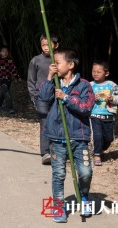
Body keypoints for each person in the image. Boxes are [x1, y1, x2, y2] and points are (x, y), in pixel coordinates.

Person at [38, 48, 95, 223]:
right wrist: (49, 77)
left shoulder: (84, 85)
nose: (54, 65)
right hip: (57, 138)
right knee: (59, 174)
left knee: (85, 172)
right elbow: (44, 98)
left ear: (70, 65)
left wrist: (66, 98)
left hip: (79, 138)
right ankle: (58, 205)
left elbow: (86, 107)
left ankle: (83, 197)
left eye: (57, 62)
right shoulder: (54, 82)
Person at [27, 32, 60, 165]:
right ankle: (45, 152)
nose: (46, 48)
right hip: (41, 97)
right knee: (45, 123)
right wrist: (35, 96)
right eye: (43, 45)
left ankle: (57, 150)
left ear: (56, 45)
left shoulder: (60, 60)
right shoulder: (36, 60)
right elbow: (31, 80)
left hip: (57, 95)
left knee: (58, 122)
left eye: (48, 45)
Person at [89, 60, 118, 166]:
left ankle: (101, 149)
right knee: (97, 135)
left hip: (109, 114)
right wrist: (92, 98)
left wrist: (112, 98)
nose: (95, 74)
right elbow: (84, 99)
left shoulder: (111, 85)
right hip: (94, 114)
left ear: (106, 73)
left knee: (109, 138)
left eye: (98, 72)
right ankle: (97, 155)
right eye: (94, 71)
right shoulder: (89, 85)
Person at [0, 46, 20, 114]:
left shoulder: (10, 60)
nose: (5, 52)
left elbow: (13, 69)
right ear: (0, 52)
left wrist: (17, 77)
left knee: (4, 93)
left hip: (8, 80)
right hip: (1, 79)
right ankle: (10, 109)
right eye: (4, 51)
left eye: (6, 51)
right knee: (7, 93)